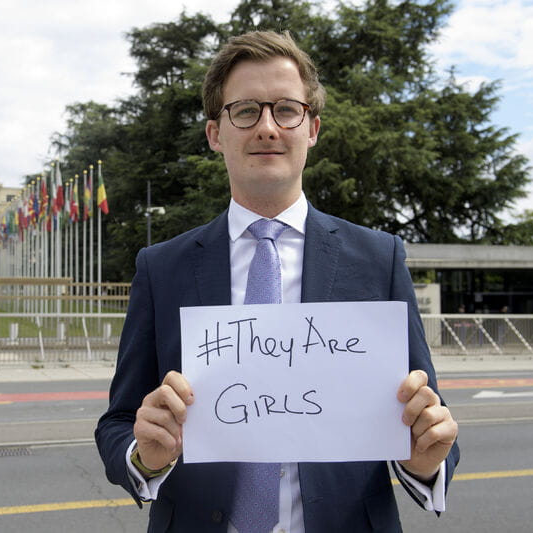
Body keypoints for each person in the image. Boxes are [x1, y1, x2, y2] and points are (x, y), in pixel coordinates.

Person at [95, 30, 460, 533]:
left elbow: (429, 421)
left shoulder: (378, 258)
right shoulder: (162, 267)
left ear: (311, 128)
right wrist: (146, 456)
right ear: (215, 134)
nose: (267, 127)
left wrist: (425, 459)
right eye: (245, 111)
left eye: (286, 109)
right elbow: (117, 423)